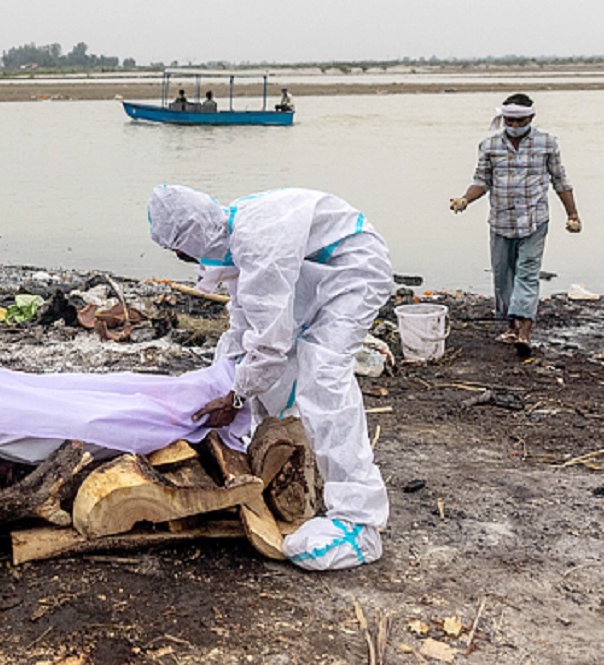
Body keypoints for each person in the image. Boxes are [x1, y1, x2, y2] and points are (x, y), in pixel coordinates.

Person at [148, 185, 393, 571]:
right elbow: (244, 325)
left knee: (323, 374)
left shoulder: (257, 241)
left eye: (179, 249)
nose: (181, 257)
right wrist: (221, 379)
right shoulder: (234, 240)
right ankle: (277, 448)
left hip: (353, 271)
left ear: (193, 235)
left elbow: (270, 345)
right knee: (275, 366)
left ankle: (360, 521)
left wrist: (235, 398)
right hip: (315, 272)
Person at [450, 93, 581, 357]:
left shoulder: (547, 143)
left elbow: (560, 180)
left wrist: (573, 214)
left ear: (531, 118)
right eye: (509, 120)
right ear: (503, 119)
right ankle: (511, 326)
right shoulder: (489, 146)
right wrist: (465, 199)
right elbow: (482, 181)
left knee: (528, 273)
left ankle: (525, 331)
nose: (514, 124)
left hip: (534, 220)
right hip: (501, 221)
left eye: (520, 120)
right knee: (502, 276)